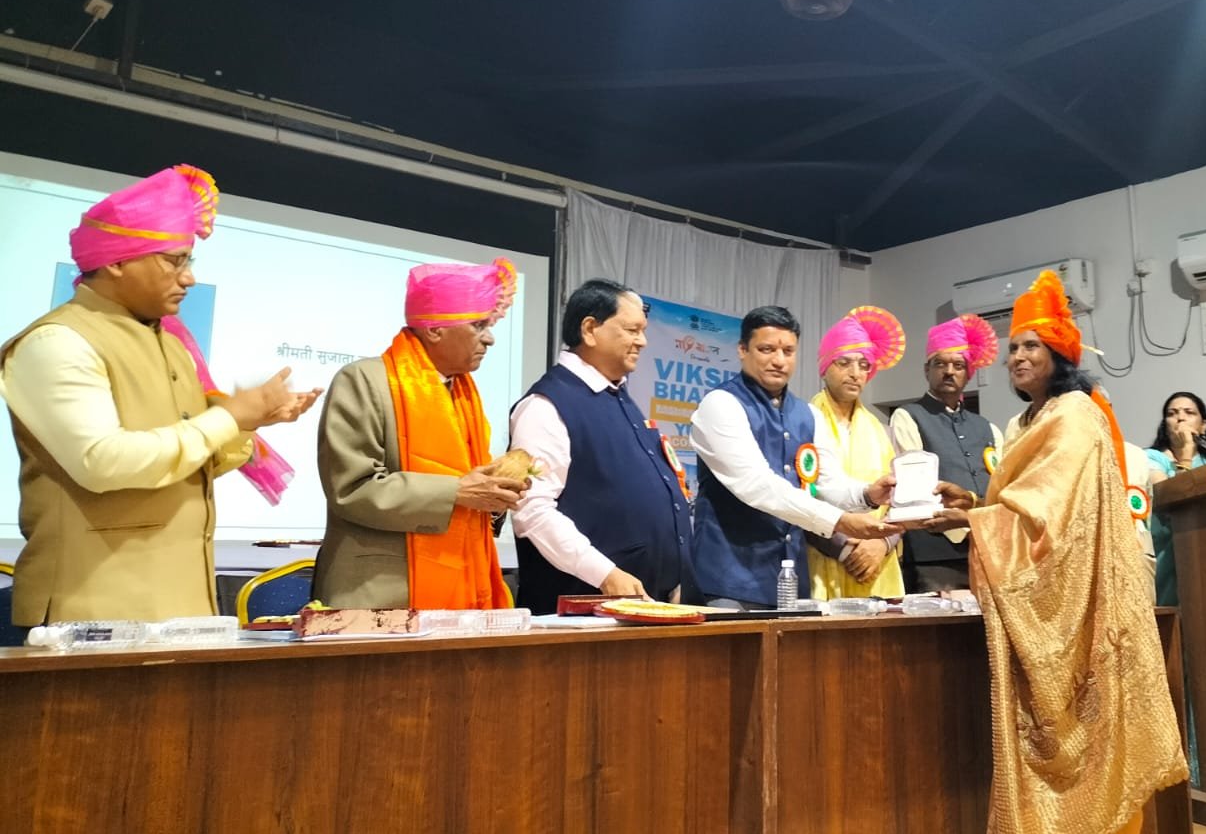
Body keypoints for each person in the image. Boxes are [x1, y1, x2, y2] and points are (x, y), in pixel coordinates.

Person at [922, 270, 1186, 834]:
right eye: (1013, 348)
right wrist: (974, 505)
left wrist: (979, 521)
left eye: (1031, 347)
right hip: (1044, 605)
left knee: (1087, 748)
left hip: (1082, 613)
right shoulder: (1032, 419)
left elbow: (1057, 519)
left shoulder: (1075, 414)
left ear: (1061, 355)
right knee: (1050, 749)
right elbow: (1025, 508)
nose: (1017, 358)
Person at [0, 164, 321, 624]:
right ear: (116, 262)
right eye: (175, 261)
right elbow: (101, 462)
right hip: (93, 610)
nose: (187, 278)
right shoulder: (57, 342)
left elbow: (190, 464)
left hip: (181, 606)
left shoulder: (171, 344)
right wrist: (228, 417)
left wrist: (248, 421)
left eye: (189, 262)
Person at [313, 259, 527, 610]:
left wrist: (494, 495)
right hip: (380, 596)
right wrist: (458, 492)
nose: (490, 338)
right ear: (435, 330)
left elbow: (469, 495)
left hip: (459, 590)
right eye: (478, 325)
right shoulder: (365, 380)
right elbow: (351, 489)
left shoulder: (463, 396)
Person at [689, 305, 896, 609]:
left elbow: (827, 482)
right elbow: (757, 485)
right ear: (742, 350)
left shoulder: (808, 414)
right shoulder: (720, 404)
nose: (779, 360)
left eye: (788, 351)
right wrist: (839, 521)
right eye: (766, 349)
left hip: (790, 581)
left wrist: (868, 494)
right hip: (729, 580)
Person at [508, 279, 693, 612]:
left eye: (643, 331)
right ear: (590, 329)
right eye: (632, 330)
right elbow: (532, 511)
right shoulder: (546, 405)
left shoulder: (618, 396)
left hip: (646, 606)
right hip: (585, 611)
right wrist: (605, 573)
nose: (643, 341)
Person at [888, 314, 1002, 592]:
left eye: (958, 365)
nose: (949, 371)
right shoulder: (908, 416)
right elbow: (915, 490)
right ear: (926, 370)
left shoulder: (988, 428)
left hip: (987, 550)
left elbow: (1000, 488)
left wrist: (976, 521)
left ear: (968, 373)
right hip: (933, 555)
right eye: (940, 364)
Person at [807, 306, 907, 600]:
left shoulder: (882, 431)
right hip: (823, 555)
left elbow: (902, 500)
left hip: (878, 561)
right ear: (825, 367)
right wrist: (843, 548)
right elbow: (795, 498)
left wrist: (882, 544)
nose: (855, 373)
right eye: (844, 363)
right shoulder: (804, 421)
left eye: (864, 365)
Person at [1144, 391, 1206, 606]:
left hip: (1204, 553)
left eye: (1189, 412)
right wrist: (1185, 455)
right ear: (1165, 424)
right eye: (1172, 413)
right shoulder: (1151, 458)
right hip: (1165, 551)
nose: (1180, 418)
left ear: (1203, 426)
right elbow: (1169, 495)